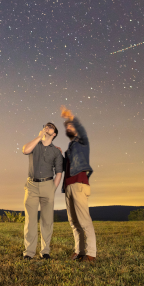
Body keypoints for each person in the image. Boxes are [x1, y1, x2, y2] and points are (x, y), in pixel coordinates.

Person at [21, 122, 63, 260]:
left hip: (48, 185)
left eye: (51, 127)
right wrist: (39, 137)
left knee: (47, 220)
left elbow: (58, 173)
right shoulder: (35, 145)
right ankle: (29, 252)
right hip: (32, 185)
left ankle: (45, 251)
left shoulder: (56, 152)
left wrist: (53, 189)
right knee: (30, 220)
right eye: (46, 125)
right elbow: (25, 150)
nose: (47, 127)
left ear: (54, 134)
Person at [61, 106, 96, 262]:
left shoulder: (82, 142)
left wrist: (71, 116)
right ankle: (79, 251)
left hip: (79, 183)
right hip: (68, 186)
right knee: (74, 222)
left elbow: (82, 130)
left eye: (70, 125)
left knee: (84, 220)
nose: (68, 127)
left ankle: (91, 253)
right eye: (67, 126)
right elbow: (65, 166)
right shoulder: (70, 148)